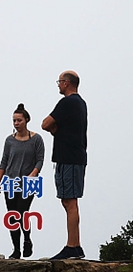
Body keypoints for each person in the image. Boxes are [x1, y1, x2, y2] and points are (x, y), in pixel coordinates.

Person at [41, 70, 88, 260]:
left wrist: (55, 129)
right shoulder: (80, 103)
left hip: (70, 158)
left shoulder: (68, 102)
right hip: (71, 157)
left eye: (60, 81)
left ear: (67, 83)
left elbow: (45, 124)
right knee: (68, 200)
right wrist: (57, 129)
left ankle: (72, 246)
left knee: (70, 201)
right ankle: (75, 245)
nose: (59, 85)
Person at [0, 103, 44, 259]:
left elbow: (40, 160)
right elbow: (4, 161)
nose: (16, 123)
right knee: (12, 216)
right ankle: (16, 249)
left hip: (28, 183)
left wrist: (33, 174)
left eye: (19, 120)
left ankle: (27, 239)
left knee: (22, 212)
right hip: (10, 182)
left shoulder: (36, 139)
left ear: (26, 120)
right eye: (14, 121)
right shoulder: (9, 141)